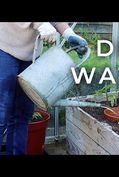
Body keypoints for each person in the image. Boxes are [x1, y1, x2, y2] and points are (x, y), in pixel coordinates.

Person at [0, 22, 88, 155]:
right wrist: (41, 24)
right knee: (1, 113)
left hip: (31, 56)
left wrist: (69, 34)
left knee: (22, 115)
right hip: (4, 48)